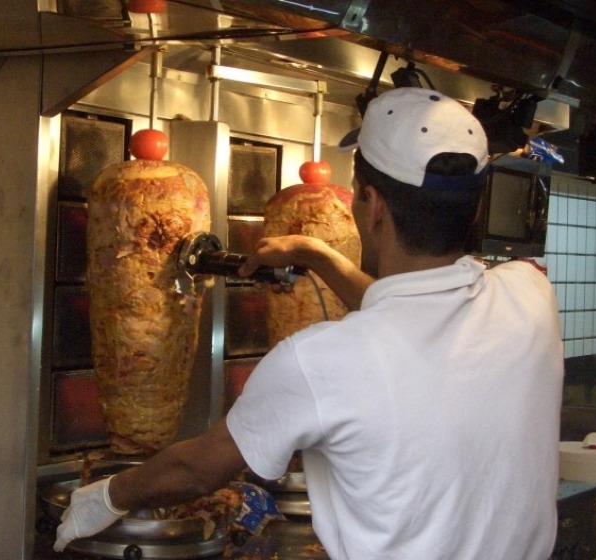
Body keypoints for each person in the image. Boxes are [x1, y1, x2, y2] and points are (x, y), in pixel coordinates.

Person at [54, 87, 565, 559]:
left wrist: (104, 497)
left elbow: (195, 468)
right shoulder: (530, 296)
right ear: (474, 208)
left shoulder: (320, 359)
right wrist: (320, 256)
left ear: (373, 206)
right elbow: (414, 313)